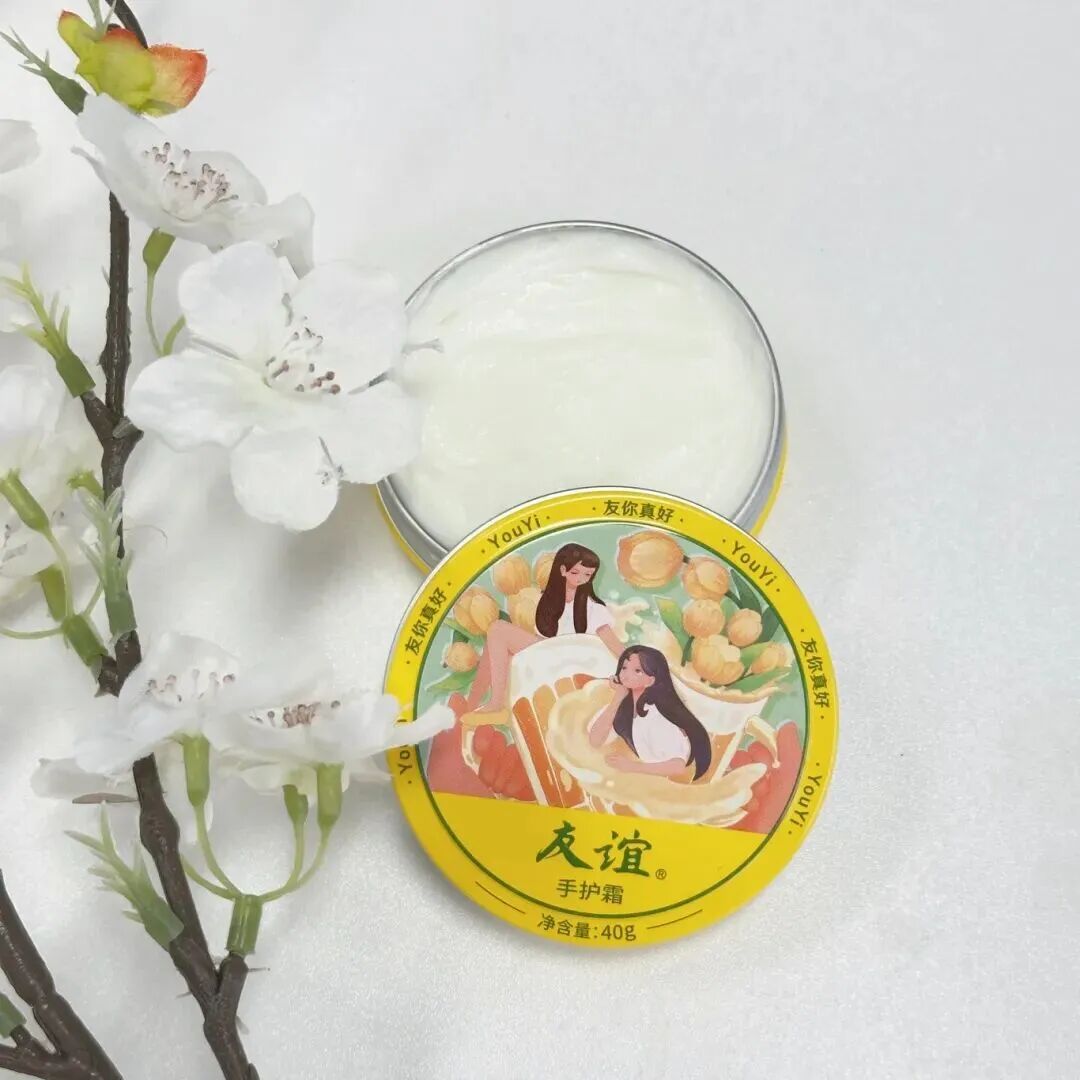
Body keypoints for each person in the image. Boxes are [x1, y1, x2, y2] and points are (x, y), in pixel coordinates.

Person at [462, 543, 621, 724]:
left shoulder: (592, 608)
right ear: (563, 570)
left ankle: (493, 704)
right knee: (496, 645)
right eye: (576, 572)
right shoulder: (549, 600)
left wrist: (633, 667)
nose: (581, 579)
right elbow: (546, 638)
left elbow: (613, 643)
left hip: (571, 661)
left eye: (587, 574)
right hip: (550, 653)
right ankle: (476, 705)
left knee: (498, 630)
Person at [589, 645, 712, 779]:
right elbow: (595, 741)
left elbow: (677, 766)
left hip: (666, 782)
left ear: (651, 680)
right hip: (646, 778)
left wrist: (631, 767)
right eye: (624, 668)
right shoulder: (623, 707)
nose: (626, 674)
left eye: (637, 671)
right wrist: (618, 697)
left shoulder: (658, 716)